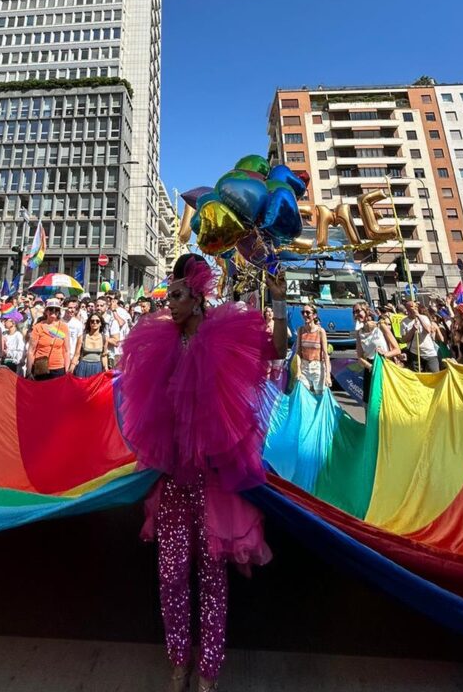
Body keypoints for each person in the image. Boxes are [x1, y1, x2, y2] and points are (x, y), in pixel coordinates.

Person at [119, 254, 289, 691]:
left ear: (196, 296)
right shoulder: (161, 341)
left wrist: (280, 303)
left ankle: (209, 672)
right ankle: (179, 661)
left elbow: (275, 351)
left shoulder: (223, 333)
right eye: (168, 295)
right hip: (174, 479)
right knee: (171, 574)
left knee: (212, 577)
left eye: (177, 295)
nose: (170, 304)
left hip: (214, 480)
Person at [354, 303, 400, 401]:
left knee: (385, 400)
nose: (356, 314)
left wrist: (385, 354)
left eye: (358, 311)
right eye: (354, 312)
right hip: (370, 368)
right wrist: (370, 367)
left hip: (384, 365)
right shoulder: (359, 333)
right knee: (370, 402)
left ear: (366, 311)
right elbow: (360, 357)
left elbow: (397, 349)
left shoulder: (381, 326)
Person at [26, 298, 69, 379]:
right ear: (46, 311)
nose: (54, 311)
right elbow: (31, 350)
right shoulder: (38, 327)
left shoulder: (63, 327)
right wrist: (28, 371)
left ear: (59, 312)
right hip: (40, 367)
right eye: (51, 309)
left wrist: (67, 371)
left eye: (56, 310)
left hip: (58, 368)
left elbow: (66, 351)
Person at [295, 304, 331, 393]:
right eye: (303, 312)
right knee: (303, 394)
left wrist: (328, 376)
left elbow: (325, 354)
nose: (305, 315)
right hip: (304, 367)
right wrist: (298, 370)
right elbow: (298, 352)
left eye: (307, 312)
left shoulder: (320, 331)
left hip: (317, 367)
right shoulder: (300, 330)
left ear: (314, 315)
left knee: (319, 395)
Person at [400, 300, 441, 374]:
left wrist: (418, 316)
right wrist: (413, 329)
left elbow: (428, 330)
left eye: (416, 306)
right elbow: (404, 340)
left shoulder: (424, 318)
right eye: (412, 307)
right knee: (417, 377)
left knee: (435, 375)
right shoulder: (404, 322)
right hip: (415, 354)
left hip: (429, 353)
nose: (414, 308)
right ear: (407, 309)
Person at [70, 311, 109, 377]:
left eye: (97, 321)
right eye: (92, 321)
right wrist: (71, 368)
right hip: (82, 367)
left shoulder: (105, 338)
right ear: (89, 323)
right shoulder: (82, 337)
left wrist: (106, 368)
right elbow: (76, 355)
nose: (95, 322)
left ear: (101, 323)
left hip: (97, 368)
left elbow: (104, 355)